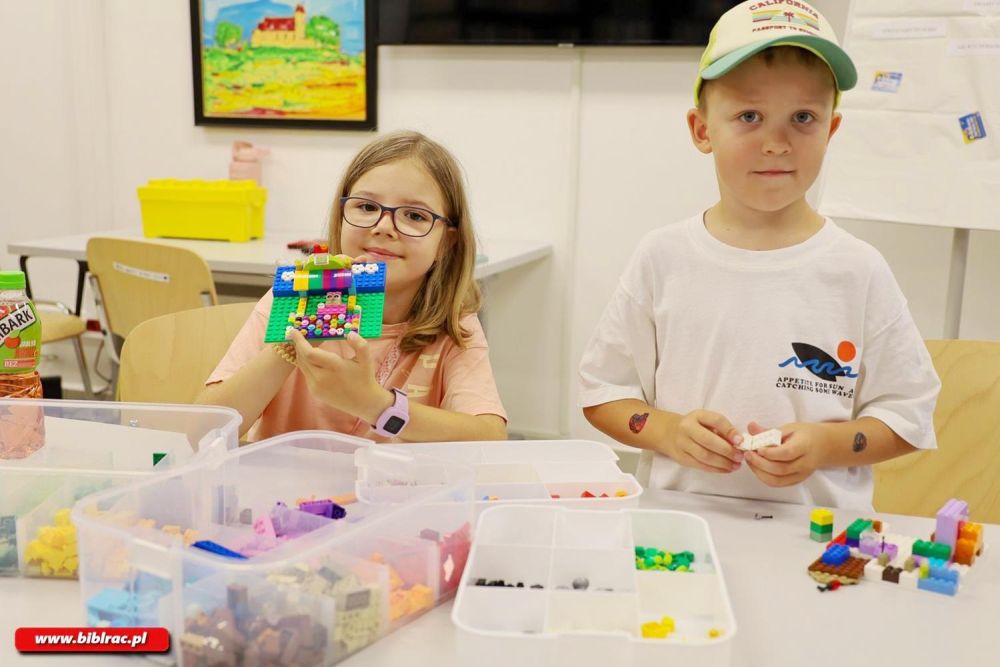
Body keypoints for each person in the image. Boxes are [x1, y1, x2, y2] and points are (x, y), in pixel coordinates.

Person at [578, 0, 939, 509]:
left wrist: (827, 445)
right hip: (684, 532)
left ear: (831, 130)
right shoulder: (662, 258)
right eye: (749, 116)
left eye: (803, 118)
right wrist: (667, 431)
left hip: (815, 539)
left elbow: (909, 416)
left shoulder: (858, 271)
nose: (776, 143)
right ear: (703, 130)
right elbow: (602, 395)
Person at [197, 131, 507, 443]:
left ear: (446, 243)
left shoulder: (454, 325)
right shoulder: (296, 298)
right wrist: (291, 343)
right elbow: (202, 435)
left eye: (414, 215)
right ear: (341, 216)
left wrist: (376, 405)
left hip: (395, 489)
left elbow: (490, 438)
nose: (383, 227)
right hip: (291, 486)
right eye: (367, 207)